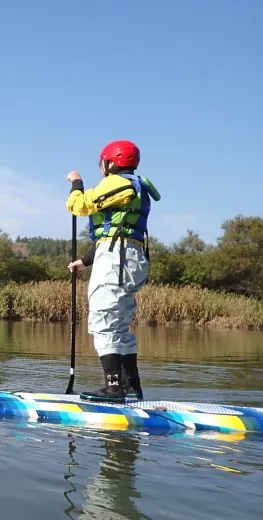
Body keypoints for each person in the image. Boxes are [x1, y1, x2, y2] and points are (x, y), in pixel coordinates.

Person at [65, 140, 160, 402]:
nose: (101, 169)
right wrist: (84, 262)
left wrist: (76, 183)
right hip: (129, 256)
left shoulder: (117, 182)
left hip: (116, 259)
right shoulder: (137, 188)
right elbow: (115, 232)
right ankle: (132, 386)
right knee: (119, 325)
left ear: (111, 163)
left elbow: (78, 205)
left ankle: (113, 388)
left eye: (102, 164)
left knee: (104, 321)